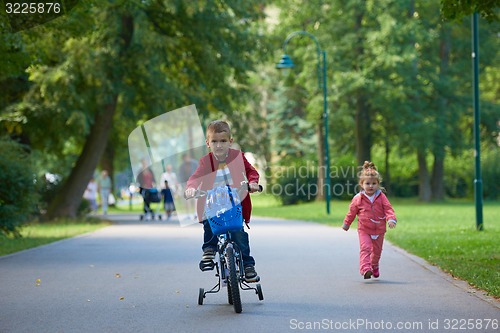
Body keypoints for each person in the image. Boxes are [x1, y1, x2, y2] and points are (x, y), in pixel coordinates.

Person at [185, 120, 261, 282]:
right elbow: (195, 177)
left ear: (230, 142)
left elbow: (250, 171)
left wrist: (252, 182)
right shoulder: (205, 162)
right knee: (209, 222)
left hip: (234, 201)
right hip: (213, 201)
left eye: (223, 141)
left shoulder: (237, 157)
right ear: (208, 143)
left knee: (238, 233)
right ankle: (209, 250)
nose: (218, 145)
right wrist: (191, 187)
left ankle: (248, 265)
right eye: (214, 141)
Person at [342, 161, 397, 279]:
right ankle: (365, 269)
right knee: (365, 248)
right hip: (364, 229)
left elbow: (388, 209)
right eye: (368, 183)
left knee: (376, 253)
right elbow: (352, 212)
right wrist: (347, 223)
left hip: (379, 230)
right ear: (362, 184)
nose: (371, 186)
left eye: (374, 183)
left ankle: (374, 265)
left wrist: (391, 219)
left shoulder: (381, 197)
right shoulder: (358, 198)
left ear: (378, 184)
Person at [178, 153, 199, 218]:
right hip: (186, 183)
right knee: (187, 199)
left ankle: (195, 213)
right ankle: (188, 213)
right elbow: (180, 176)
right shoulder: (182, 166)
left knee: (195, 198)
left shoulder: (195, 164)